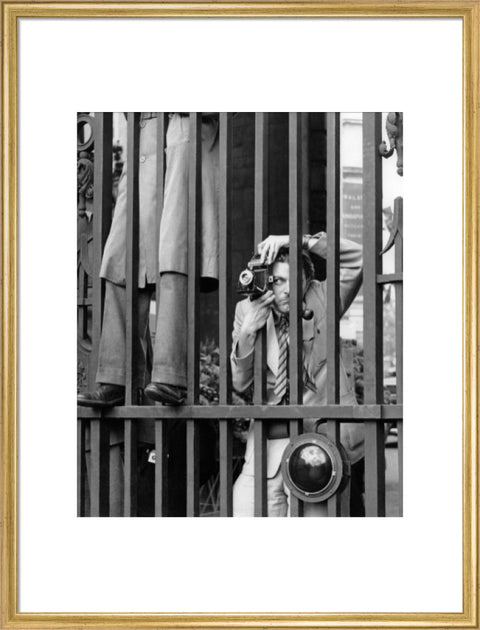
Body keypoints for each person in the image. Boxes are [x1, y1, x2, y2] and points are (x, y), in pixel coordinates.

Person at [78, 112, 219, 408]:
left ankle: (170, 376)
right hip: (145, 140)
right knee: (121, 257)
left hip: (184, 130)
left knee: (174, 253)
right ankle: (116, 377)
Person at [230, 232, 364, 517]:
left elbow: (358, 259)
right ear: (264, 280)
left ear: (306, 281)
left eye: (293, 280)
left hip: (320, 444)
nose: (286, 290)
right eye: (277, 281)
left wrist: (296, 240)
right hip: (266, 447)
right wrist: (247, 333)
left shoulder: (322, 297)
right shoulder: (246, 309)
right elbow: (240, 384)